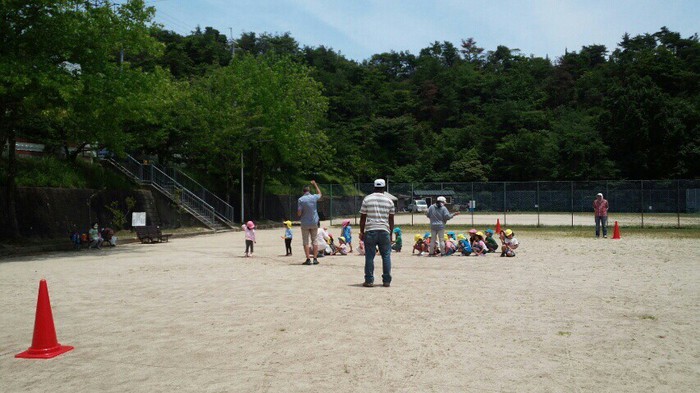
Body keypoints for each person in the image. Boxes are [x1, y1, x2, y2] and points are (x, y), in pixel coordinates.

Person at [359, 179, 395, 287]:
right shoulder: (389, 201)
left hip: (370, 230)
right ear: (384, 188)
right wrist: (390, 233)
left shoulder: (367, 199)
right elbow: (391, 219)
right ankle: (386, 280)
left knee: (369, 257)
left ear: (374, 187)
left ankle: (369, 280)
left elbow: (363, 218)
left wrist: (362, 231)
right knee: (386, 256)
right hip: (384, 230)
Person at [297, 180, 322, 265]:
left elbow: (299, 213)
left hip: (305, 222)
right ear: (309, 190)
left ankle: (308, 259)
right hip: (314, 222)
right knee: (314, 240)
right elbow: (320, 194)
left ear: (303, 191)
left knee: (305, 241)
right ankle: (315, 259)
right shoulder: (314, 197)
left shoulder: (300, 200)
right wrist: (315, 184)